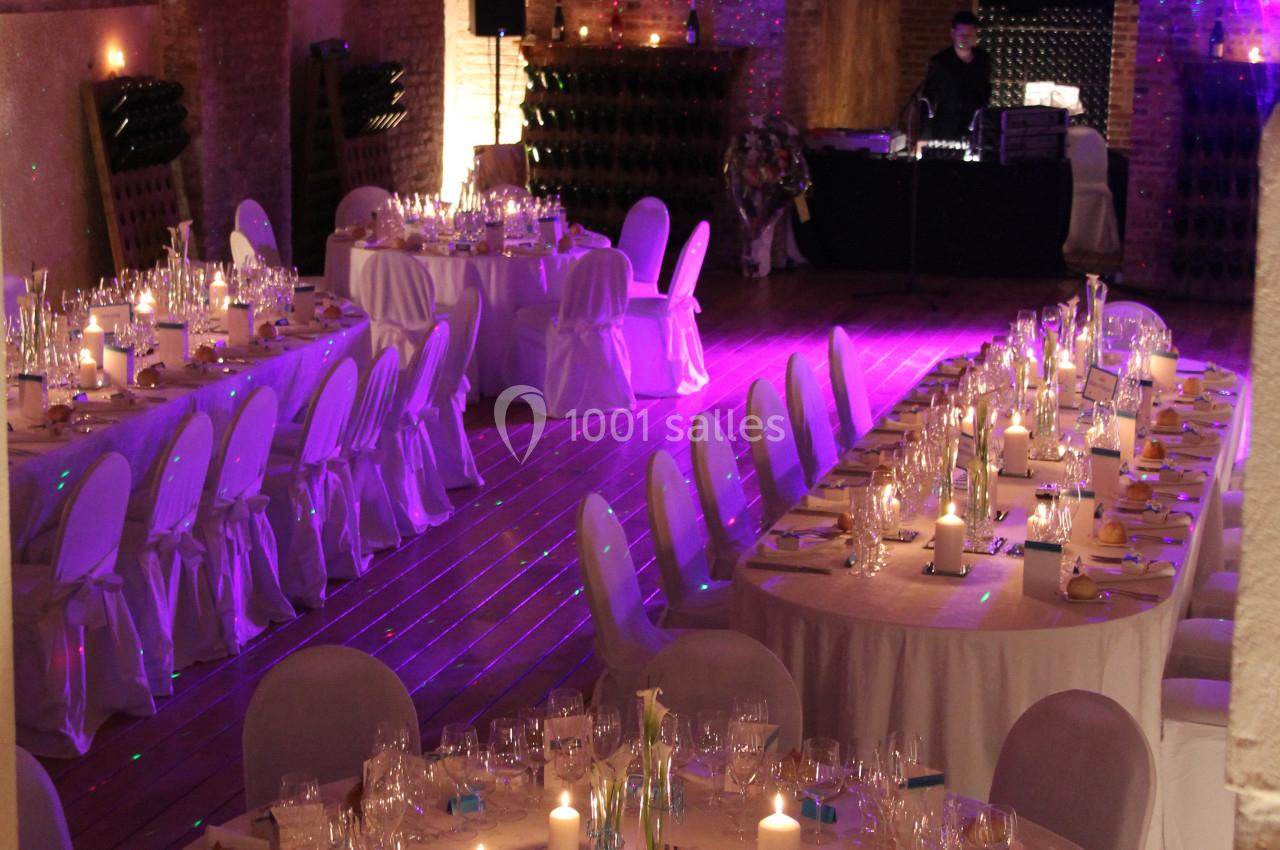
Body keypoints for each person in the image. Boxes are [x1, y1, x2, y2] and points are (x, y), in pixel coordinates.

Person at [920, 11, 992, 142]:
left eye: (969, 35)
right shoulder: (940, 61)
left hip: (974, 128)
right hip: (945, 129)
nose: (965, 39)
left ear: (976, 35)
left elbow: (986, 92)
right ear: (952, 34)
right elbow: (928, 99)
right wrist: (924, 136)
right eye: (961, 34)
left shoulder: (982, 60)